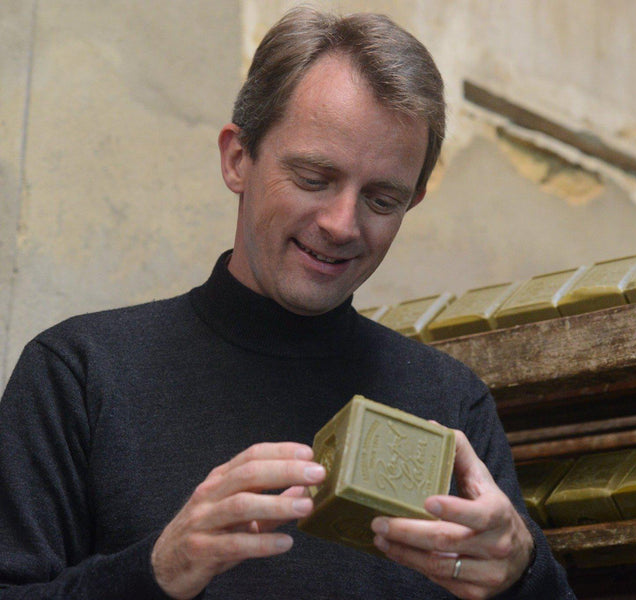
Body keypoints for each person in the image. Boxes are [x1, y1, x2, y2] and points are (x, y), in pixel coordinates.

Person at [0, 6, 574, 599]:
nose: (342, 224)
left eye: (382, 200)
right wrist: (158, 570)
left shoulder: (449, 402)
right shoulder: (81, 373)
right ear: (237, 159)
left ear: (413, 202)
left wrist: (523, 573)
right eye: (313, 178)